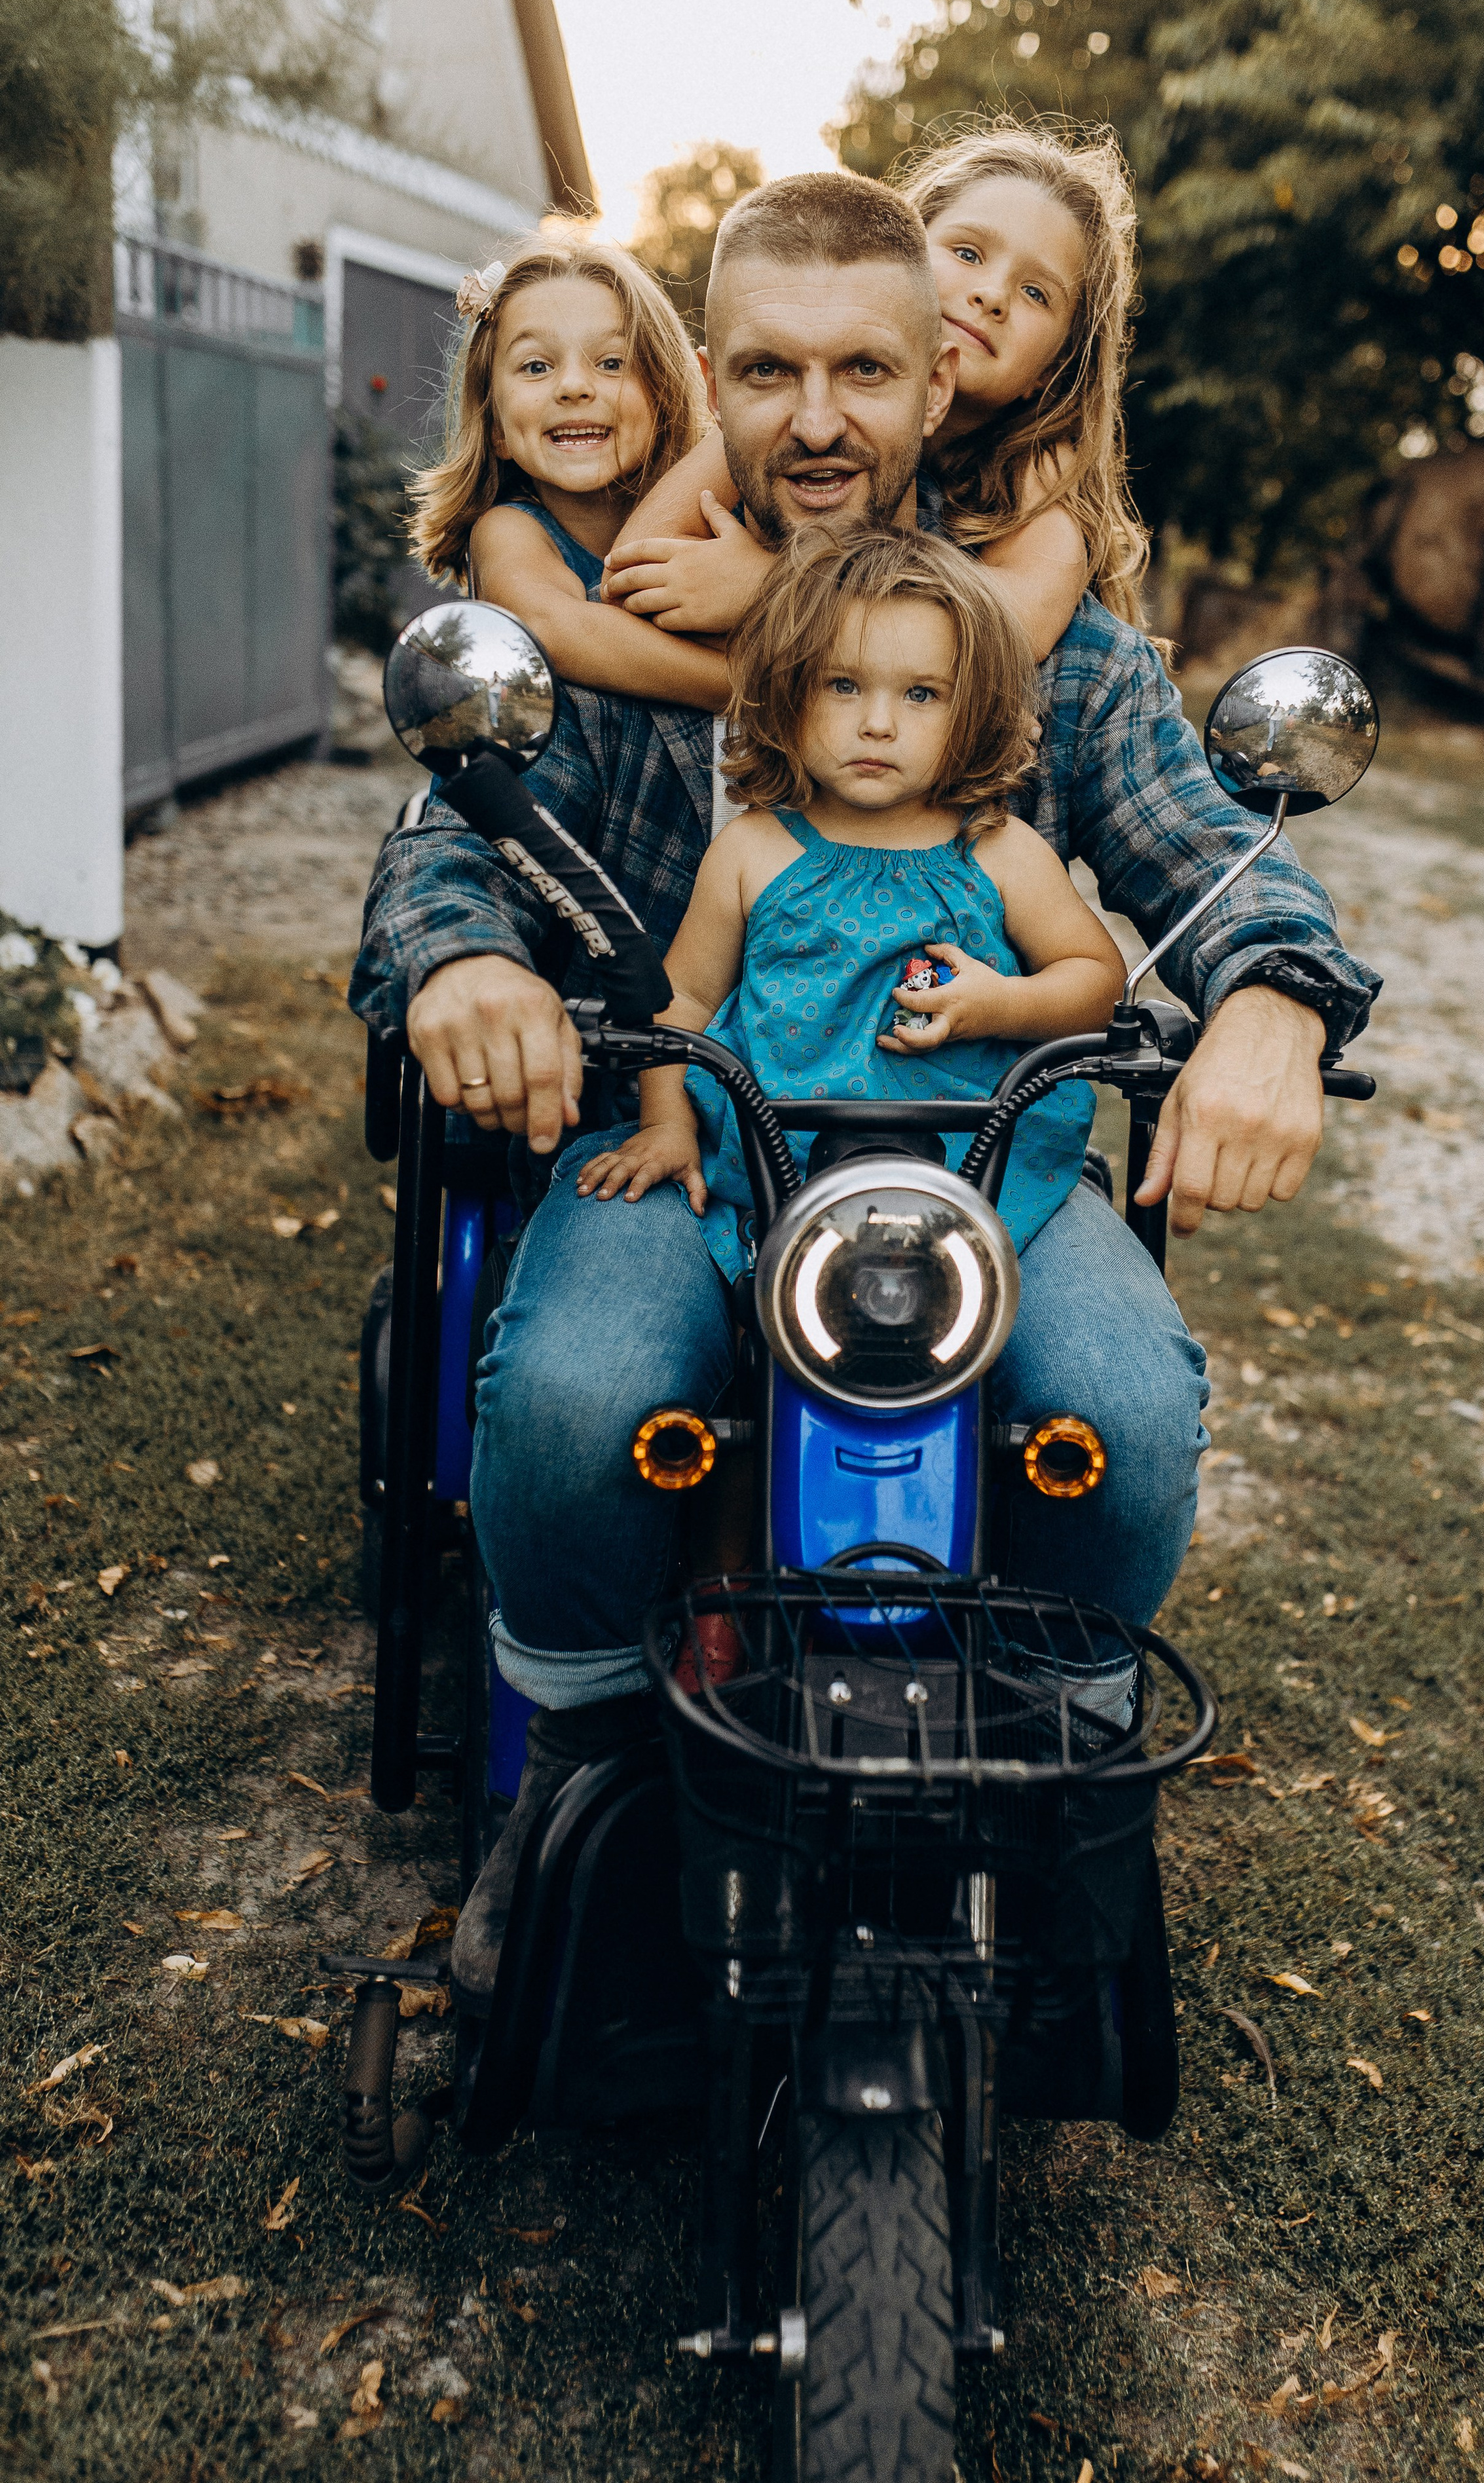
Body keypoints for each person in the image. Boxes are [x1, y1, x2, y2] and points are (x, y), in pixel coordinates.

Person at [350, 169, 1381, 2007]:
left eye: (863, 374)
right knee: (577, 1397)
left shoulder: (1045, 641)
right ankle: (573, 1775)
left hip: (995, 1159)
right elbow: (454, 834)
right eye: (766, 372)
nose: (817, 422)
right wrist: (470, 957)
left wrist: (1277, 1002)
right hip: (688, 1137)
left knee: (1129, 1417)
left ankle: (1065, 1772)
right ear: (706, 385)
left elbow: (1209, 839)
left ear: (936, 388)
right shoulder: (624, 609)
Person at [573, 524, 1126, 1277]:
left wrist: (1000, 1005)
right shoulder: (754, 850)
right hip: (773, 1169)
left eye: (922, 694)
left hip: (972, 1171)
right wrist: (666, 1123)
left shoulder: (999, 851)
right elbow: (685, 1004)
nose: (877, 723)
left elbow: (1096, 979)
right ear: (788, 693)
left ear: (976, 711)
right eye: (842, 685)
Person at [601, 124, 1145, 666]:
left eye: (1035, 292)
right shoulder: (789, 413)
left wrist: (772, 587)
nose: (991, 295)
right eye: (968, 253)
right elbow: (629, 572)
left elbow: (1016, 632)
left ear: (1056, 368)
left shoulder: (1043, 475)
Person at [409, 229, 730, 711]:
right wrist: (751, 686)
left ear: (664, 396)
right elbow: (552, 629)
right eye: (536, 367)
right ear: (496, 426)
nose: (574, 386)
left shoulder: (717, 516)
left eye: (611, 362)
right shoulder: (507, 531)